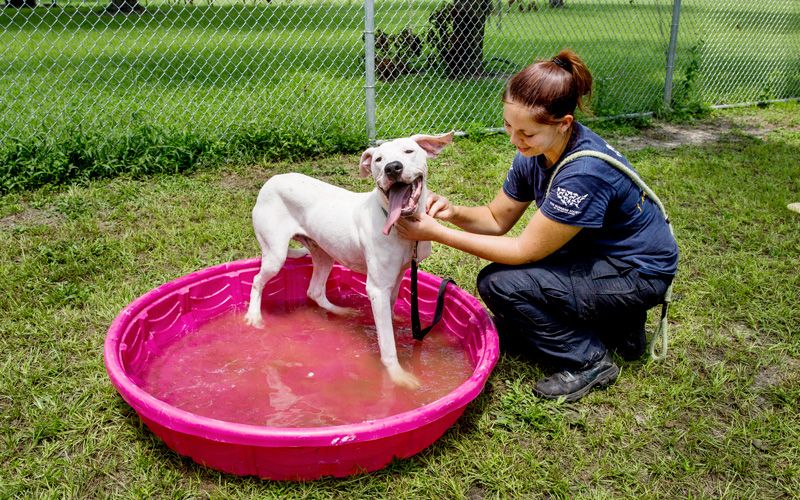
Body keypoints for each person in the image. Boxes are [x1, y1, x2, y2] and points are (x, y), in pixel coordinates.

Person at [396, 49, 678, 402]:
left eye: (526, 132)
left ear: (564, 123)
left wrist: (437, 233)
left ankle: (590, 358)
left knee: (501, 284)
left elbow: (522, 251)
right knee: (518, 283)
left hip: (638, 273)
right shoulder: (537, 151)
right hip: (602, 256)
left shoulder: (583, 172)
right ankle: (620, 327)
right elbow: (498, 219)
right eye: (509, 126)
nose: (515, 140)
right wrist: (454, 212)